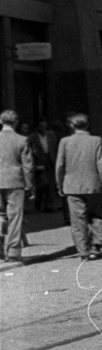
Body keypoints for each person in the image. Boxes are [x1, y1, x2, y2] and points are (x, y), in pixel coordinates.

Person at [55, 112, 102, 261]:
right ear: (87, 125)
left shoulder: (65, 141)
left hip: (72, 187)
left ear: (72, 126)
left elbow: (60, 165)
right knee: (97, 216)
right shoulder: (96, 140)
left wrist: (59, 184)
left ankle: (83, 252)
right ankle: (96, 245)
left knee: (77, 220)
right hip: (93, 186)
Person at [0, 108, 34, 264]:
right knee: (15, 217)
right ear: (16, 122)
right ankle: (13, 252)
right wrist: (30, 185)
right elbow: (28, 165)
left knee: (0, 216)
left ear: (1, 121)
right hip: (15, 181)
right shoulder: (22, 140)